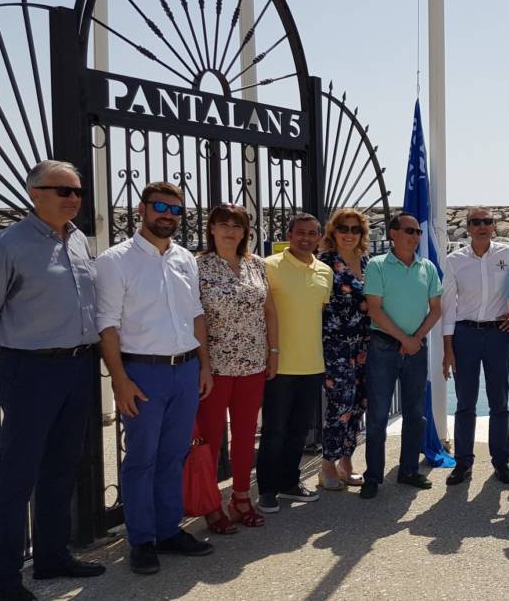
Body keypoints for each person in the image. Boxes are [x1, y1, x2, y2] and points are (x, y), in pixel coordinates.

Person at [0, 160, 105, 599]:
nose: (73, 199)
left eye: (77, 192)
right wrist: (2, 356)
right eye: (62, 190)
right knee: (16, 476)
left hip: (77, 365)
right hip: (30, 369)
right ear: (35, 194)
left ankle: (51, 556)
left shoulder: (80, 240)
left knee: (62, 466)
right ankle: (4, 583)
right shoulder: (6, 245)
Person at [95, 181, 214, 575]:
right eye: (161, 207)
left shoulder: (185, 258)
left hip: (185, 371)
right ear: (143, 209)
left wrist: (205, 364)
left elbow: (196, 313)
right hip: (143, 372)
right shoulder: (116, 260)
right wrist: (119, 379)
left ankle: (168, 529)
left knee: (173, 456)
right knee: (142, 460)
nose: (168, 215)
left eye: (176, 210)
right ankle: (142, 540)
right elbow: (107, 325)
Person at [194, 203, 276, 534]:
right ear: (211, 228)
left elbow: (269, 310)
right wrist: (202, 364)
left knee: (245, 435)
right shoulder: (197, 266)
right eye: (223, 224)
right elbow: (194, 317)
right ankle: (211, 505)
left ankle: (241, 498)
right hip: (214, 366)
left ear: (245, 232)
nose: (230, 230)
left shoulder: (255, 265)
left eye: (237, 225)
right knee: (212, 438)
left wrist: (274, 351)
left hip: (253, 363)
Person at [361, 213, 443, 498]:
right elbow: (374, 309)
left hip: (416, 349)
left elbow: (436, 308)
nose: (415, 236)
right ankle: (373, 476)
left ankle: (409, 470)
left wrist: (415, 339)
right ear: (392, 233)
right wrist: (404, 339)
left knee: (415, 413)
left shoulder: (428, 267)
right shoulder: (377, 265)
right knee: (378, 415)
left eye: (418, 231)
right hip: (384, 347)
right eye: (409, 230)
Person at [257, 214, 332, 512]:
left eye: (313, 234)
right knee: (274, 430)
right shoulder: (267, 266)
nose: (306, 238)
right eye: (300, 232)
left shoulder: (325, 271)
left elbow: (320, 312)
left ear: (319, 238)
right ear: (289, 234)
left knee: (299, 430)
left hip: (312, 363)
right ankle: (266, 489)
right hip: (278, 362)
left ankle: (289, 481)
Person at [441, 207, 509, 485]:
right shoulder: (454, 261)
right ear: (468, 227)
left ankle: (501, 462)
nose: (482, 226)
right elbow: (448, 306)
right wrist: (448, 349)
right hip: (465, 336)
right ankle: (463, 463)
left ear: (494, 226)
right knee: (465, 403)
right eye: (476, 222)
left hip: (498, 335)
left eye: (487, 221)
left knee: (499, 402)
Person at [316, 209, 372, 490]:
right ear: (333, 232)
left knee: (360, 402)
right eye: (343, 229)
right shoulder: (324, 263)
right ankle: (327, 463)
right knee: (340, 403)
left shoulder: (367, 261)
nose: (349, 234)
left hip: (364, 343)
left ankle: (346, 462)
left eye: (355, 229)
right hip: (335, 344)